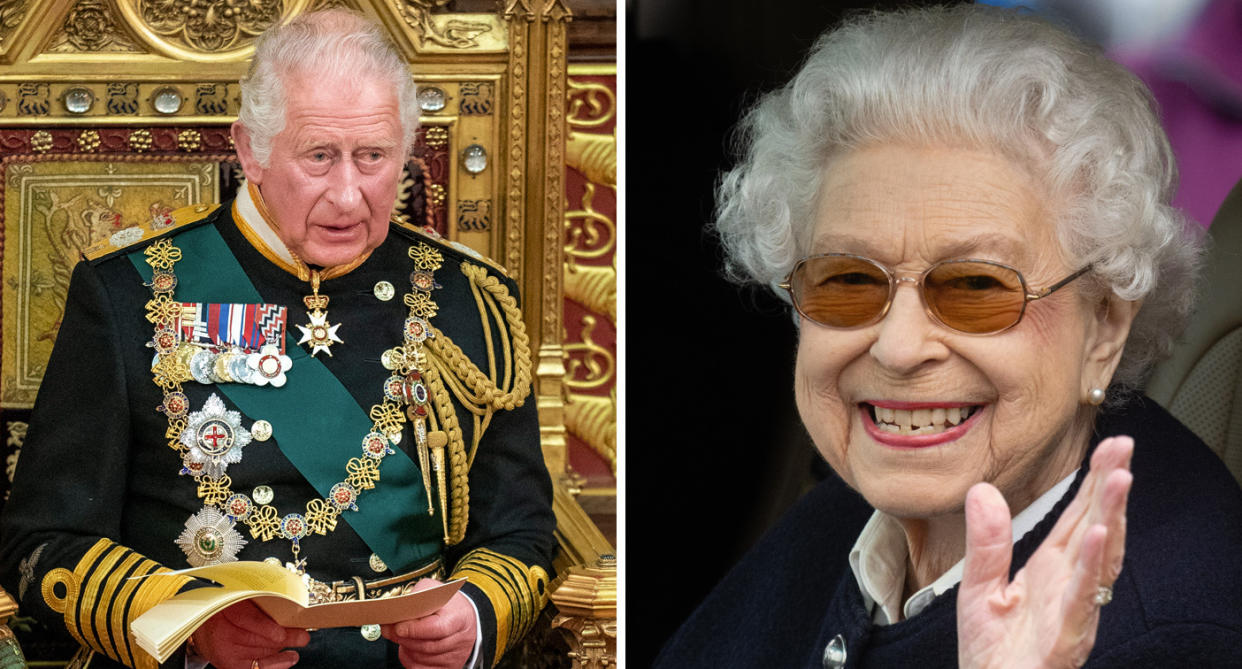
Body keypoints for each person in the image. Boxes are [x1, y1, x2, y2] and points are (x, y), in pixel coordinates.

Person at [656, 5, 1242, 667]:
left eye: (975, 288)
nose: (899, 347)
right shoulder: (867, 509)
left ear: (1104, 326)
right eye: (848, 280)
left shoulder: (1167, 633)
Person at [0, 9, 555, 669]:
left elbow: (520, 531)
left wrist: (474, 616)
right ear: (249, 150)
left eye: (373, 157)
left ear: (407, 150)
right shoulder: (129, 293)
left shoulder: (471, 301)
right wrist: (189, 624)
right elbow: (42, 540)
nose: (349, 195)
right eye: (319, 156)